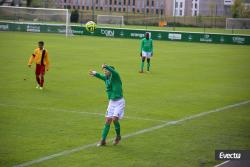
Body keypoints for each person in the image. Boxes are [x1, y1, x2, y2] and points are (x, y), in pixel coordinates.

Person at [89, 64, 125, 146]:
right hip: (112, 102)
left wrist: (106, 66)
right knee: (108, 120)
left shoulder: (116, 77)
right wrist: (95, 74)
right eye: (104, 71)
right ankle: (103, 140)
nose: (105, 72)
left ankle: (118, 136)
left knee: (115, 119)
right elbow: (100, 76)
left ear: (111, 72)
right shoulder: (106, 78)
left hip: (119, 102)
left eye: (107, 71)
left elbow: (113, 71)